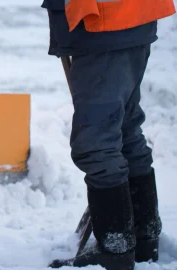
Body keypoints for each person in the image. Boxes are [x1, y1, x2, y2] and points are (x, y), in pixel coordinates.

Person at [41, 0, 175, 269]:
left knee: (96, 143)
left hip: (104, 23)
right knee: (123, 130)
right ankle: (141, 238)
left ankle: (116, 252)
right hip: (127, 19)